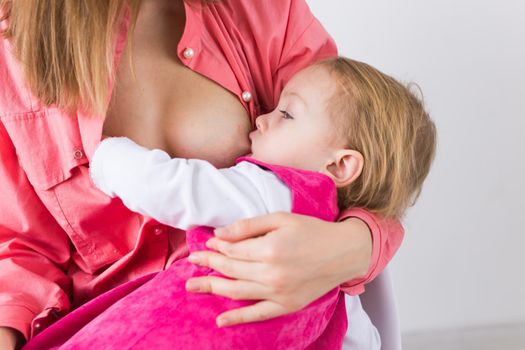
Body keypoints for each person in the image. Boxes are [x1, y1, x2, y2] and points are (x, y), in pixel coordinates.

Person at [0, 1, 404, 348]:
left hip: (253, 314)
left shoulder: (264, 12)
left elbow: (360, 168)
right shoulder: (15, 47)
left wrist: (353, 245)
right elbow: (23, 248)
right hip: (106, 325)